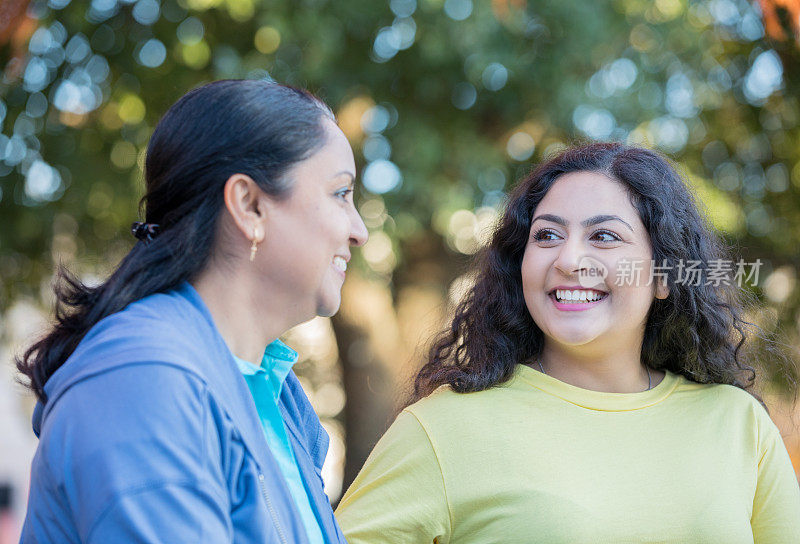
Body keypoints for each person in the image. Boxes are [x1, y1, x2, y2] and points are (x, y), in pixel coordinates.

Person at [335, 142, 800, 543]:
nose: (569, 258)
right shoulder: (441, 428)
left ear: (663, 275)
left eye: (604, 236)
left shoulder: (738, 424)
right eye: (548, 235)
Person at [17, 79, 368, 543]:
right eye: (340, 193)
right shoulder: (142, 379)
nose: (359, 231)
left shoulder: (276, 397)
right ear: (249, 204)